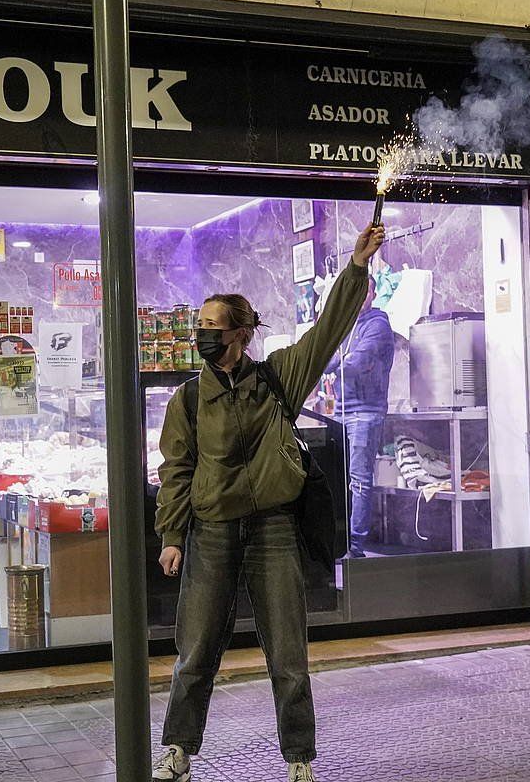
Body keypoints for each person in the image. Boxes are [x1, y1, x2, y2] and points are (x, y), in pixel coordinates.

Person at [151, 225, 386, 782]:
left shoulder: (278, 377)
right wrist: (171, 536)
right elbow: (176, 472)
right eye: (200, 326)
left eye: (212, 327)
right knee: (195, 654)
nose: (202, 335)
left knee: (288, 655)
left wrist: (355, 267)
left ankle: (300, 758)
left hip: (274, 528)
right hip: (210, 532)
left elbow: (327, 332)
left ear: (240, 334)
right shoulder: (187, 399)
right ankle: (179, 750)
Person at [325, 276, 396, 558]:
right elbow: (326, 358)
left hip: (366, 411)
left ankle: (355, 546)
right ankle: (339, 541)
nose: (359, 295)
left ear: (373, 292)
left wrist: (340, 360)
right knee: (337, 478)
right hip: (341, 409)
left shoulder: (378, 325)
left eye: (363, 289)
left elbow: (357, 363)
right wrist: (339, 359)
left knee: (359, 481)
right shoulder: (347, 326)